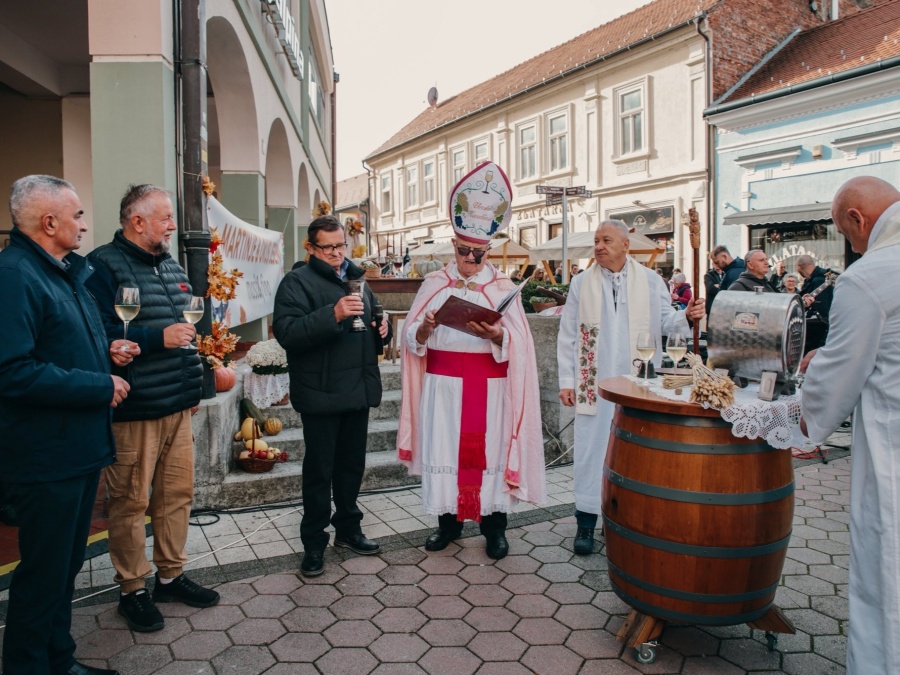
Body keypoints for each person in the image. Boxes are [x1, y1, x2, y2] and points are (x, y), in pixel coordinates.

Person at [0, 175, 135, 675]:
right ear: (49, 221)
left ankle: (60, 660)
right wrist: (99, 385)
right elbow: (12, 371)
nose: (83, 224)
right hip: (46, 457)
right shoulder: (15, 276)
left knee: (65, 568)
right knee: (43, 575)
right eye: (76, 215)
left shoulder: (61, 272)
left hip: (77, 449)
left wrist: (105, 352)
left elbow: (56, 347)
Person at [85, 184, 218, 633]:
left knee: (176, 496)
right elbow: (98, 333)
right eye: (164, 218)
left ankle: (170, 577)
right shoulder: (102, 265)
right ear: (137, 222)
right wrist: (156, 339)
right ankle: (132, 590)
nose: (173, 225)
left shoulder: (170, 264)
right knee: (129, 502)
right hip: (136, 408)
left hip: (177, 405)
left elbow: (188, 331)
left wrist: (193, 388)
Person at [397, 162, 546, 560]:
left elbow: (522, 344)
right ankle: (447, 525)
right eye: (464, 251)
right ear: (453, 245)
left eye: (478, 254)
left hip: (490, 387)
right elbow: (409, 338)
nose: (470, 259)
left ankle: (494, 529)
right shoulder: (434, 283)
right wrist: (424, 329)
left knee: (490, 454)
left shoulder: (502, 286)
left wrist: (498, 335)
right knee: (444, 451)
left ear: (488, 251)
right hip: (443, 387)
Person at [799, 175, 900, 675]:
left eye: (846, 233)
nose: (852, 246)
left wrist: (804, 427)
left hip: (891, 446)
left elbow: (837, 380)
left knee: (886, 574)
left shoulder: (869, 275)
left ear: (858, 219)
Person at [557, 220, 704, 554]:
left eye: (606, 240)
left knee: (632, 450)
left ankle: (622, 519)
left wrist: (687, 316)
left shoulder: (651, 280)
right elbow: (568, 334)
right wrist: (567, 381)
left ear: (626, 244)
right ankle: (585, 520)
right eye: (596, 241)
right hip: (594, 380)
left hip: (638, 377)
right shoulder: (581, 282)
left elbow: (667, 321)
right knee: (591, 448)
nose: (599, 246)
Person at [273, 214, 390, 577]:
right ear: (310, 247)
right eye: (328, 248)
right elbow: (287, 333)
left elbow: (372, 319)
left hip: (356, 387)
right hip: (320, 392)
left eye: (341, 245)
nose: (337, 253)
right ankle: (313, 543)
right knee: (319, 472)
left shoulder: (357, 279)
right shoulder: (296, 282)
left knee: (351, 467)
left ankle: (349, 530)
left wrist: (382, 327)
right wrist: (333, 314)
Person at [796, 254, 834, 352]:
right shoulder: (822, 278)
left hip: (818, 333)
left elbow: (822, 309)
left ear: (799, 267)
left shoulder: (818, 280)